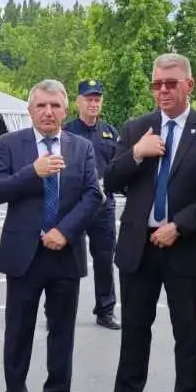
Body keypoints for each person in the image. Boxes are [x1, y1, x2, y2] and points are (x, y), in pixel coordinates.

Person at [96, 54, 196, 392]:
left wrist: (180, 225)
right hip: (139, 247)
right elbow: (111, 180)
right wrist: (137, 152)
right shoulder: (137, 128)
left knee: (188, 335)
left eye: (171, 83)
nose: (163, 91)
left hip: (186, 247)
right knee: (134, 333)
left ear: (190, 85)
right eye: (157, 84)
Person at [0, 79, 100, 392]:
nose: (48, 112)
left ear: (66, 110)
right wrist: (31, 173)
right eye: (41, 106)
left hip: (64, 253)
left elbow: (92, 196)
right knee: (18, 331)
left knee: (62, 332)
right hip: (23, 253)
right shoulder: (10, 144)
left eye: (55, 106)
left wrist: (64, 232)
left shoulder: (81, 148)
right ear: (30, 110)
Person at [60, 79, 122, 330]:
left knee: (105, 259)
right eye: (88, 99)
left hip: (102, 206)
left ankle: (105, 309)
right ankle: (60, 308)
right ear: (78, 102)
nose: (93, 103)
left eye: (97, 99)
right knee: (66, 258)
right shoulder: (67, 131)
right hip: (73, 205)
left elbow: (117, 168)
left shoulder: (110, 133)